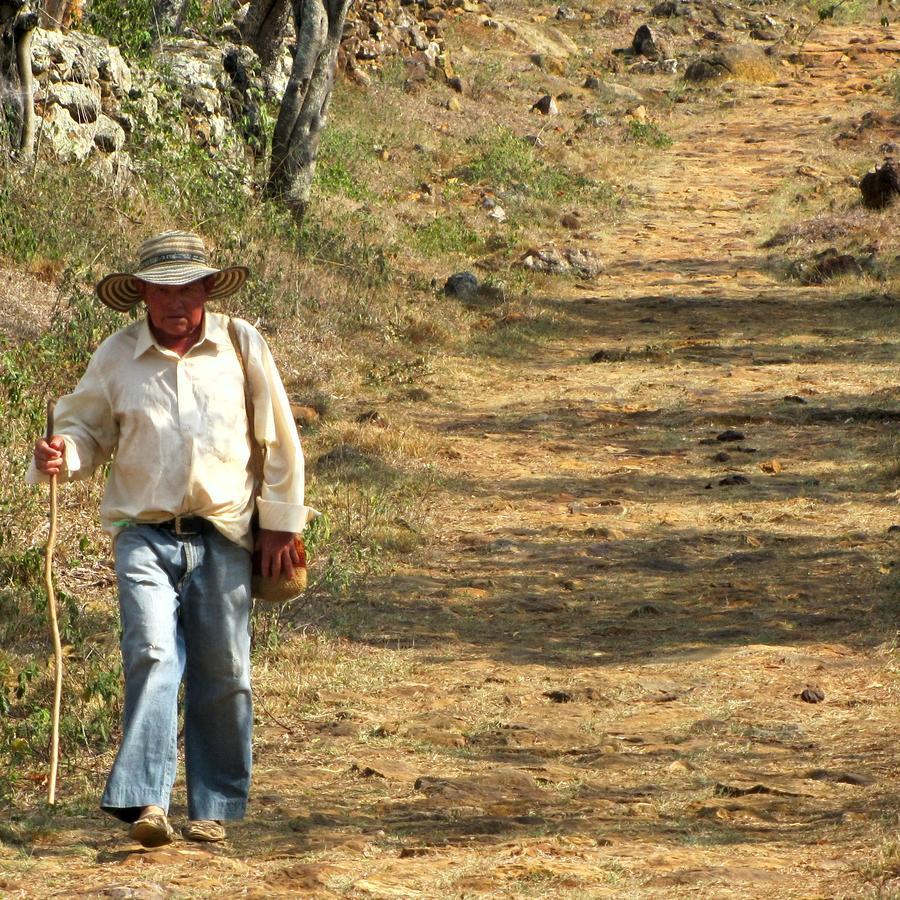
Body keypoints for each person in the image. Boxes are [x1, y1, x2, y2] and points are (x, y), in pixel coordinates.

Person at [28, 231, 317, 847]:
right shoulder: (116, 356)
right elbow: (84, 429)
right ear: (141, 296)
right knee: (153, 654)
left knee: (227, 669)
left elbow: (278, 439)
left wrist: (281, 525)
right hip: (143, 534)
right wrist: (62, 453)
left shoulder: (241, 345)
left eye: (186, 287)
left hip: (225, 533)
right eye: (160, 290)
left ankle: (212, 806)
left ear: (208, 288)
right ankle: (146, 803)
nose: (174, 301)